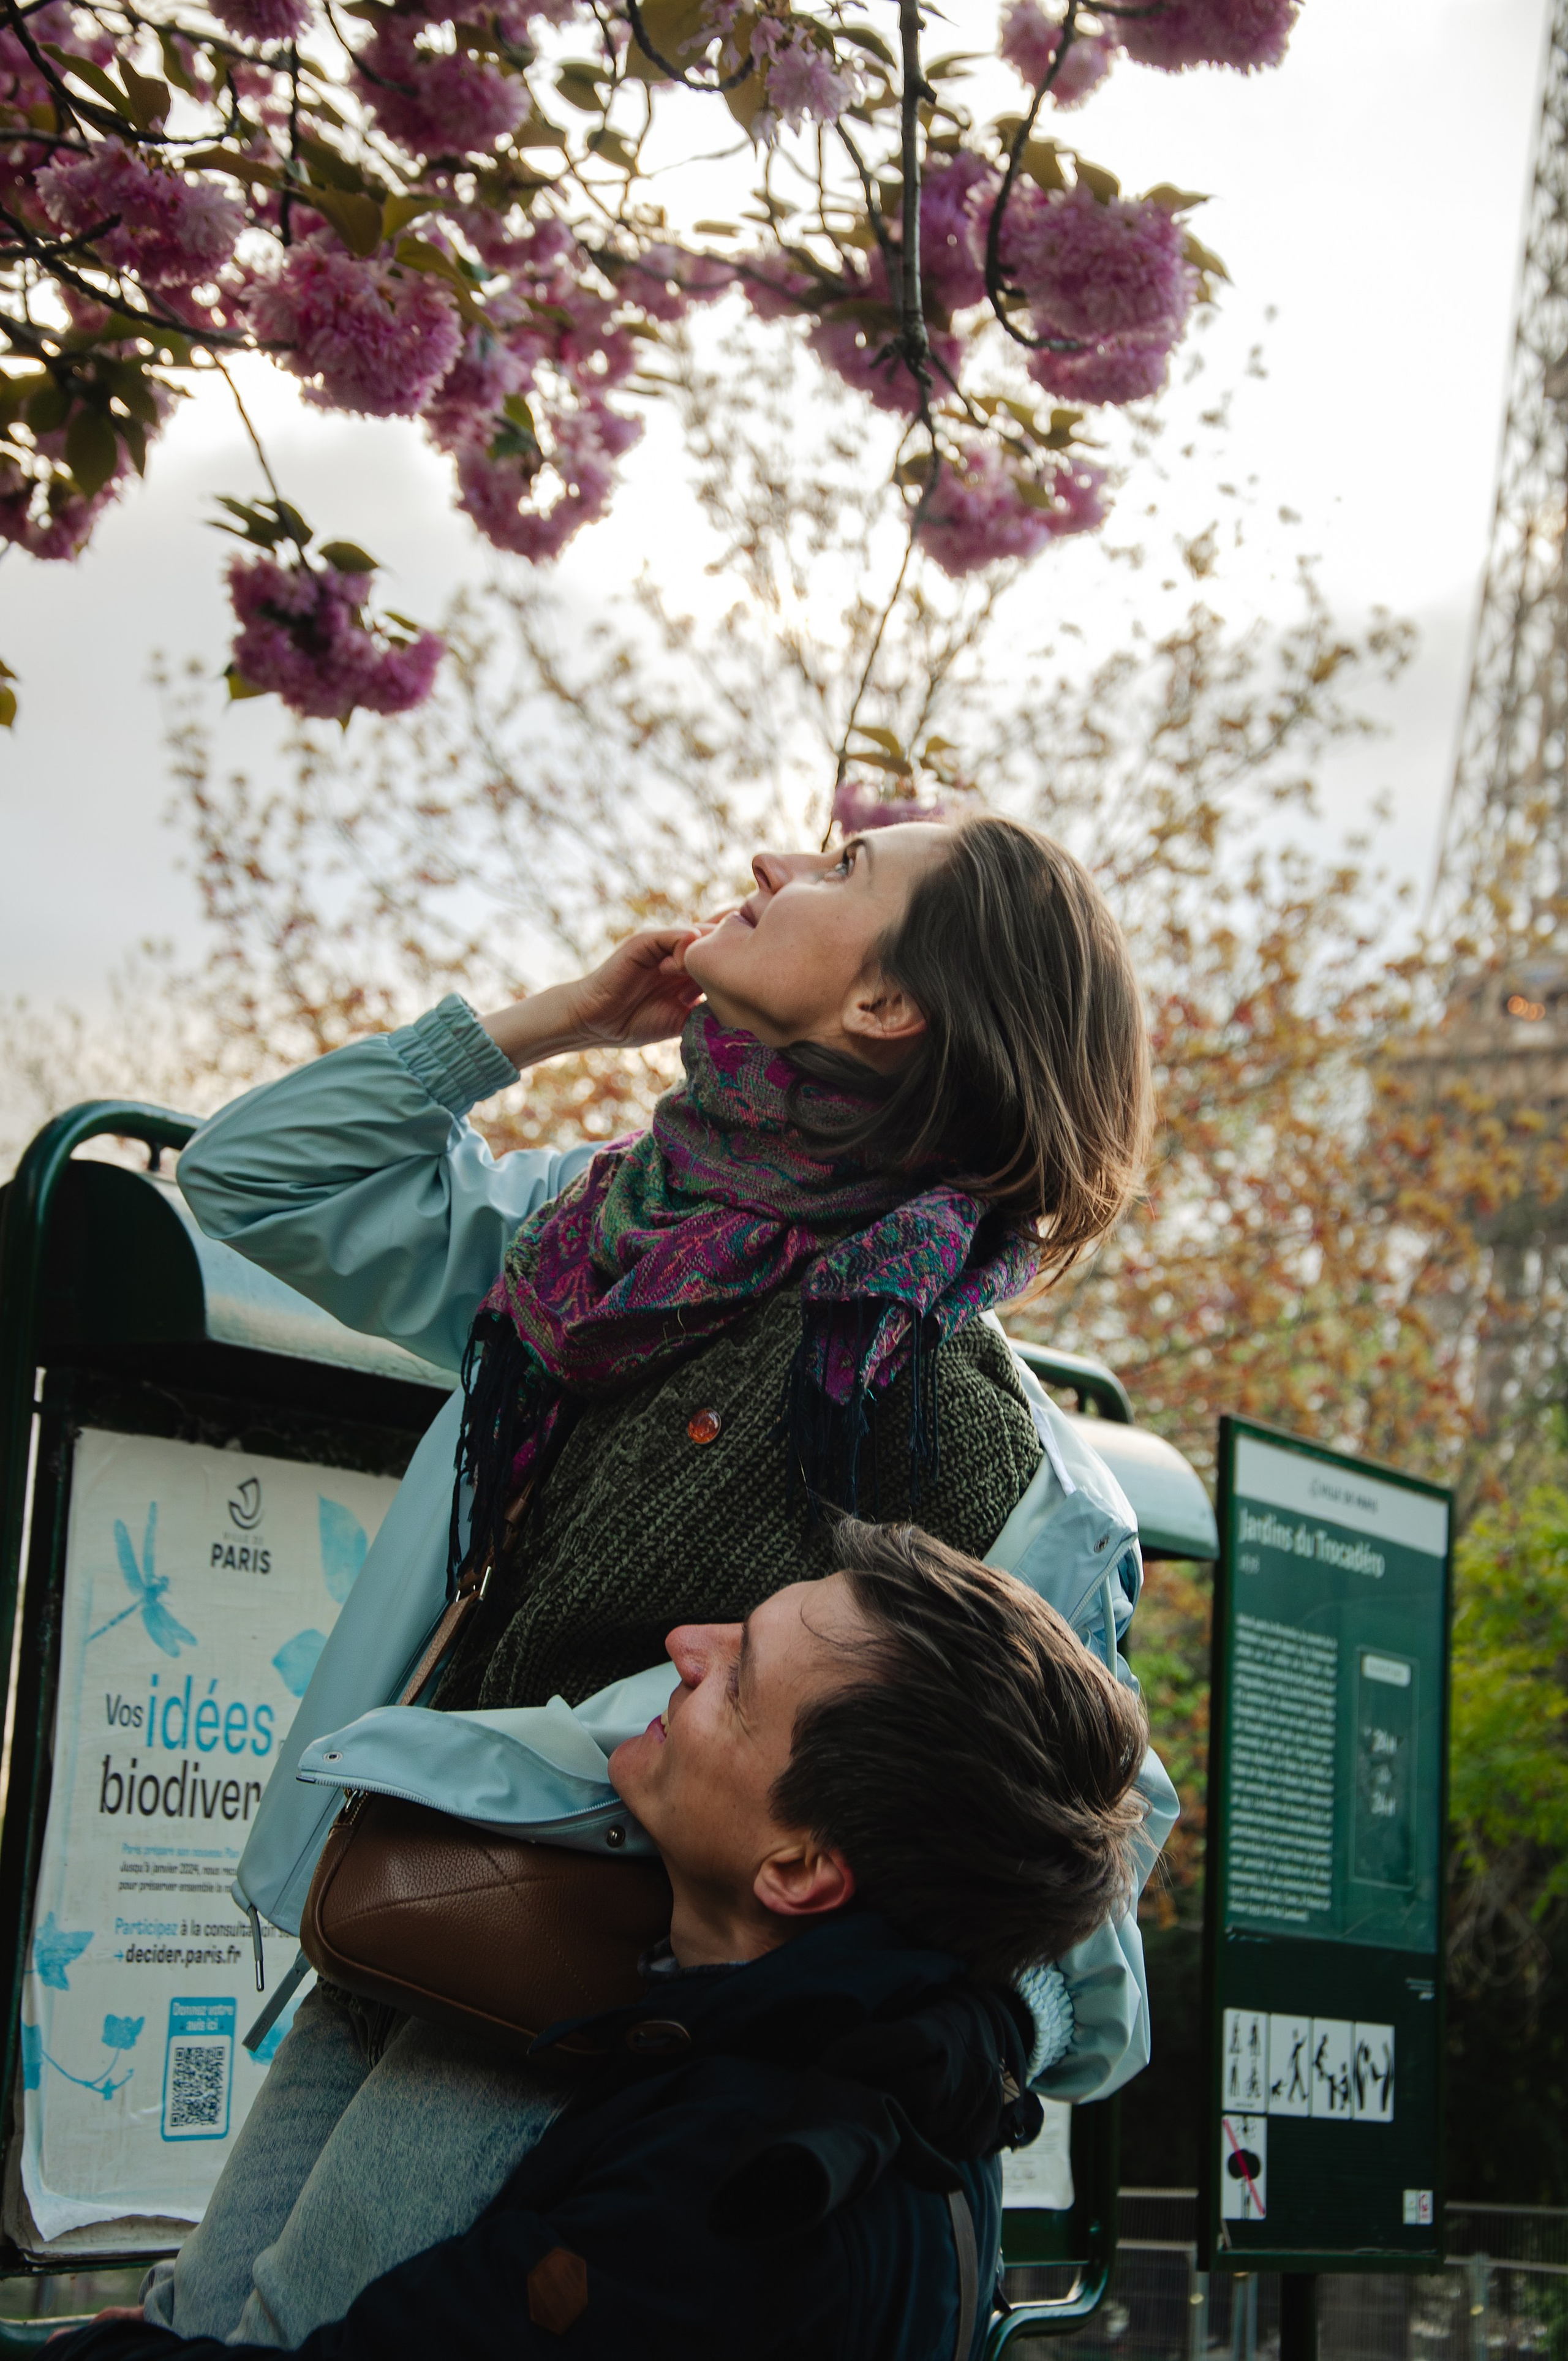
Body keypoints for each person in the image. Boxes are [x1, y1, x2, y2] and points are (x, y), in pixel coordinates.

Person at [145, 814, 1159, 2342]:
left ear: (889, 1008)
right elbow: (249, 1179)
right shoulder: (609, 1234)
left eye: (838, 873)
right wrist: (551, 1022)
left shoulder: (970, 1442)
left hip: (606, 2003)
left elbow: (1057, 1843)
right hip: (394, 1909)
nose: (770, 867)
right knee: (198, 2313)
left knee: (299, 2329)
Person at [56, 1523, 1150, 2361]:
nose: (684, 1646)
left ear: (800, 1868)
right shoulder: (918, 2096)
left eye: (740, 1680)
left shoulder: (731, 2201)